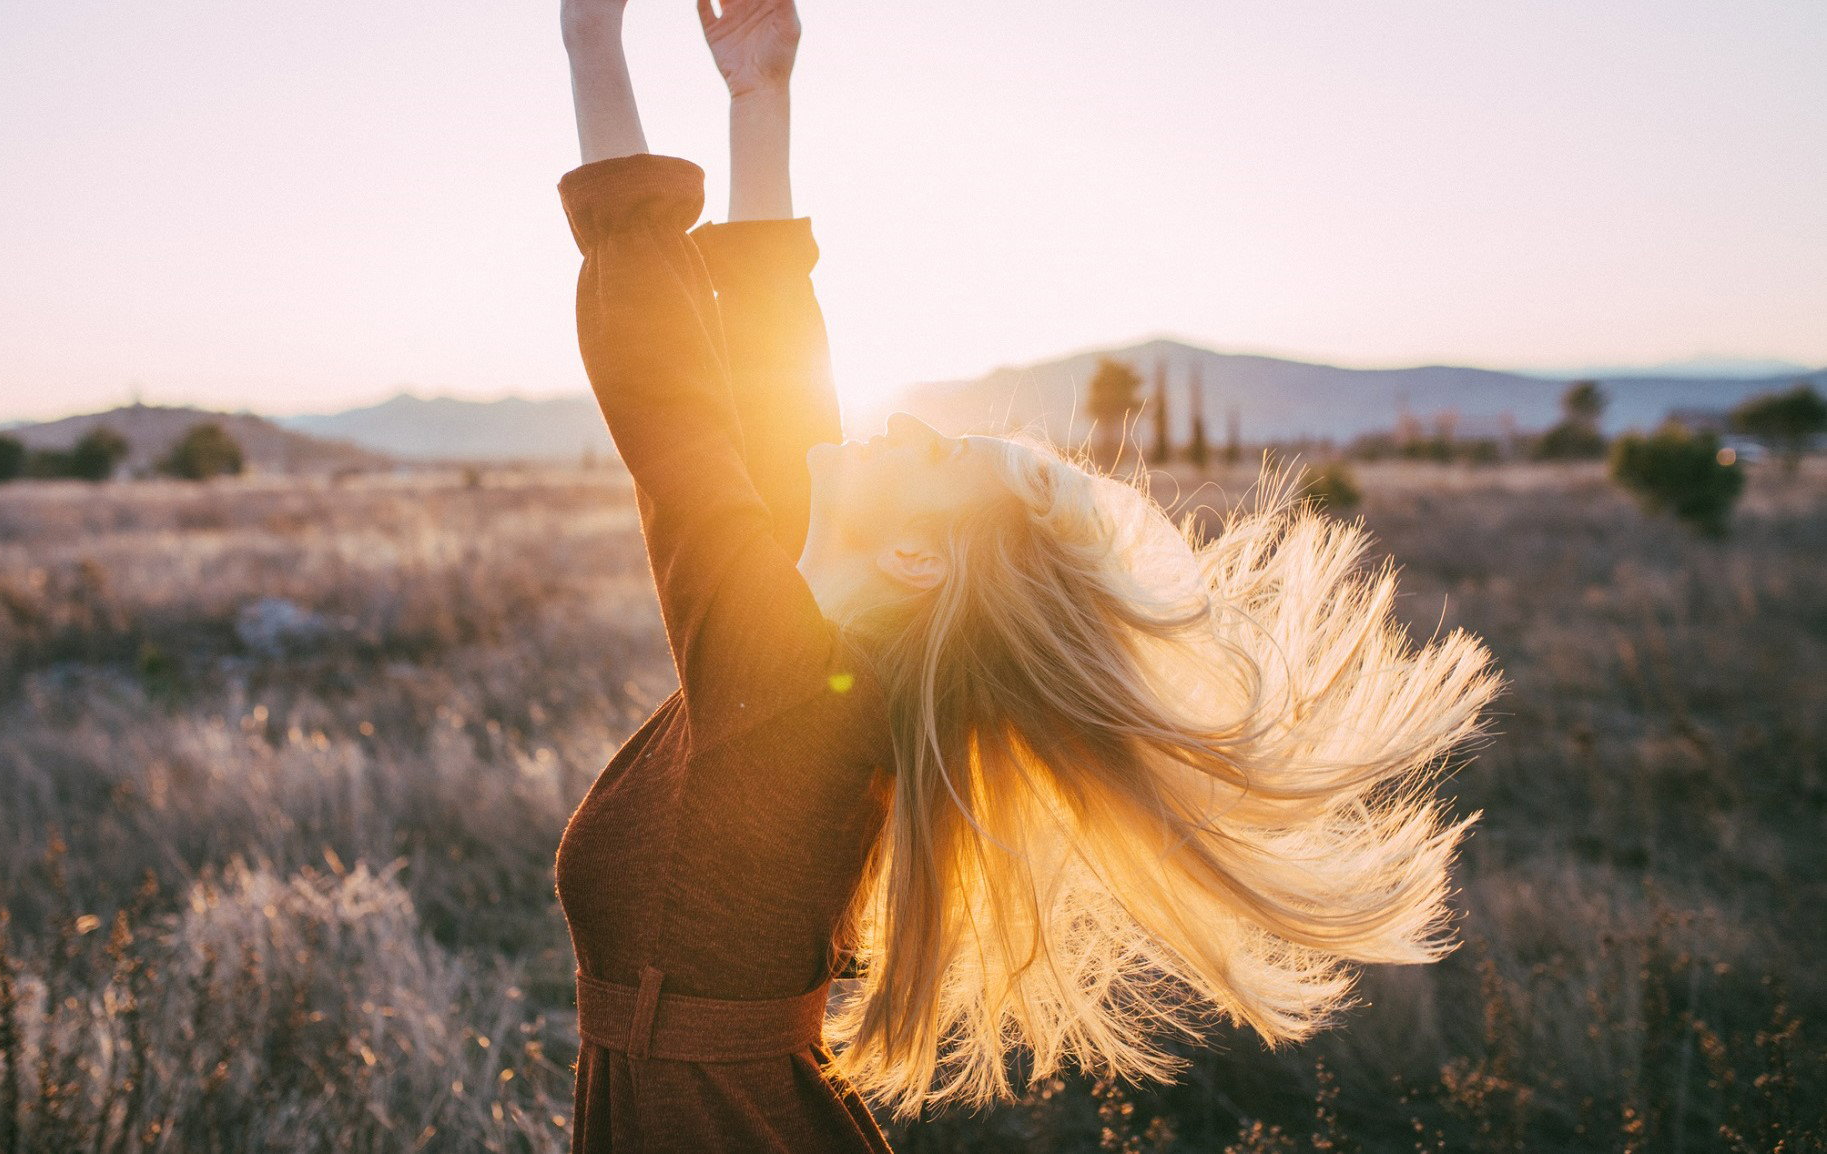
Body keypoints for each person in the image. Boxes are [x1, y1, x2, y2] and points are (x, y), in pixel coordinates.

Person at [554, 1, 1500, 1150]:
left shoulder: (789, 684)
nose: (899, 423)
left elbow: (671, 404)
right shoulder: (810, 673)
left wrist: (590, 37)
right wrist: (761, 96)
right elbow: (763, 385)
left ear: (913, 556)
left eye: (932, 456)